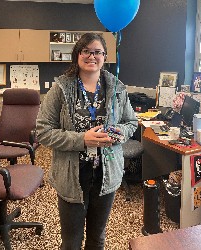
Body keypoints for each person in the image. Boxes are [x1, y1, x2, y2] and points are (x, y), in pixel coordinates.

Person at [36, 33, 138, 250]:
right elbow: (43, 132)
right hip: (72, 174)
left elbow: (131, 123)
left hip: (106, 173)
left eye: (98, 52)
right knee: (71, 242)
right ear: (78, 54)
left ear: (105, 56)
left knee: (97, 238)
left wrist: (118, 132)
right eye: (86, 51)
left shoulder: (117, 88)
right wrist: (82, 139)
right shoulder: (61, 88)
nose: (92, 56)